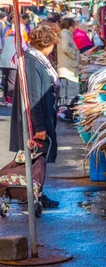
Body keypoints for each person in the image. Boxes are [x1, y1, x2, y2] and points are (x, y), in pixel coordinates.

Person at [9, 24, 60, 208]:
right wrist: (39, 127)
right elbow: (33, 97)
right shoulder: (32, 61)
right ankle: (31, 194)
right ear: (45, 43)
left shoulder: (37, 59)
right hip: (34, 121)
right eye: (52, 44)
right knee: (35, 158)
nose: (53, 48)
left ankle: (34, 192)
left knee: (37, 158)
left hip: (41, 116)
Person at [56, 17, 81, 112]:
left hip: (67, 67)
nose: (75, 28)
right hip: (68, 68)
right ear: (70, 27)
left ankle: (65, 110)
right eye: (74, 26)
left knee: (67, 90)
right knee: (69, 90)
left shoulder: (65, 34)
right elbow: (65, 48)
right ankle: (66, 111)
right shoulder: (65, 34)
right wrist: (75, 55)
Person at [0, 28, 16, 105]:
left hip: (3, 61)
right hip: (13, 62)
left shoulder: (4, 38)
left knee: (5, 79)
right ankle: (10, 98)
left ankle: (5, 98)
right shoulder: (18, 39)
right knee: (11, 80)